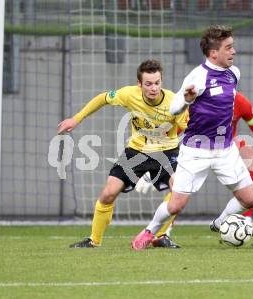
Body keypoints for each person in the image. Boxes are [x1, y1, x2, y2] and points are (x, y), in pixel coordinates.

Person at [130, 25, 253, 250]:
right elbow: (173, 109)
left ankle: (220, 223)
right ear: (213, 53)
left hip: (225, 150)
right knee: (176, 205)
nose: (233, 51)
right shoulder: (198, 76)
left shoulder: (233, 73)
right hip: (195, 150)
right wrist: (188, 99)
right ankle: (149, 231)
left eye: (232, 46)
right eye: (228, 48)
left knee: (250, 199)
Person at [57, 59, 188, 248]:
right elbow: (102, 98)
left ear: (162, 81)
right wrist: (76, 119)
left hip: (167, 152)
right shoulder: (129, 94)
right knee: (108, 193)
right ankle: (94, 240)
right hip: (136, 151)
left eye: (157, 83)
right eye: (148, 84)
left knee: (178, 192)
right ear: (139, 84)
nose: (153, 88)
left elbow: (189, 129)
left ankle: (160, 236)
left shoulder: (174, 102)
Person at [142, 91, 253, 248]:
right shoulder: (197, 99)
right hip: (196, 148)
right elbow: (174, 131)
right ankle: (163, 232)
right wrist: (153, 165)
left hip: (225, 148)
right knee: (178, 187)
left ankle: (243, 219)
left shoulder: (240, 101)